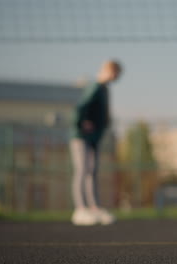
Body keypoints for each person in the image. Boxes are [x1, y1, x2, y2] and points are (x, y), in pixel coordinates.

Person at [70, 60, 122, 226]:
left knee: (92, 171)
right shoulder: (95, 86)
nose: (116, 77)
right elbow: (80, 107)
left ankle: (94, 208)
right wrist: (81, 123)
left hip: (94, 138)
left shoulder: (104, 89)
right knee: (82, 170)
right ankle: (80, 209)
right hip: (81, 137)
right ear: (107, 70)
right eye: (115, 73)